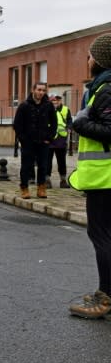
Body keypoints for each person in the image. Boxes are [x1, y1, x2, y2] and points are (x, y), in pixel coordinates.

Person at [67, 33, 111, 319]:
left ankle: (105, 297)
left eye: (91, 55)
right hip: (103, 177)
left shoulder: (107, 88)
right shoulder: (101, 87)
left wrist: (80, 123)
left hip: (105, 179)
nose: (88, 60)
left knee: (102, 236)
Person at [13, 82, 57, 199]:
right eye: (39, 90)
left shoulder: (48, 105)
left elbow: (54, 123)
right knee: (26, 166)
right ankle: (24, 188)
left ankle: (41, 188)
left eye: (43, 90)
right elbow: (17, 125)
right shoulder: (24, 105)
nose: (41, 92)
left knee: (43, 166)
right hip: (28, 142)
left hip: (43, 141)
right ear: (33, 90)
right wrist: (23, 139)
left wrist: (49, 138)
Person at [47, 93, 73, 188]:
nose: (56, 101)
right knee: (47, 161)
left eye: (57, 99)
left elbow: (70, 121)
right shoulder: (46, 110)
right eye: (53, 100)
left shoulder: (66, 110)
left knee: (62, 161)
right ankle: (47, 180)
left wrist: (69, 128)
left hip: (61, 140)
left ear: (60, 100)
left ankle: (63, 180)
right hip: (49, 140)